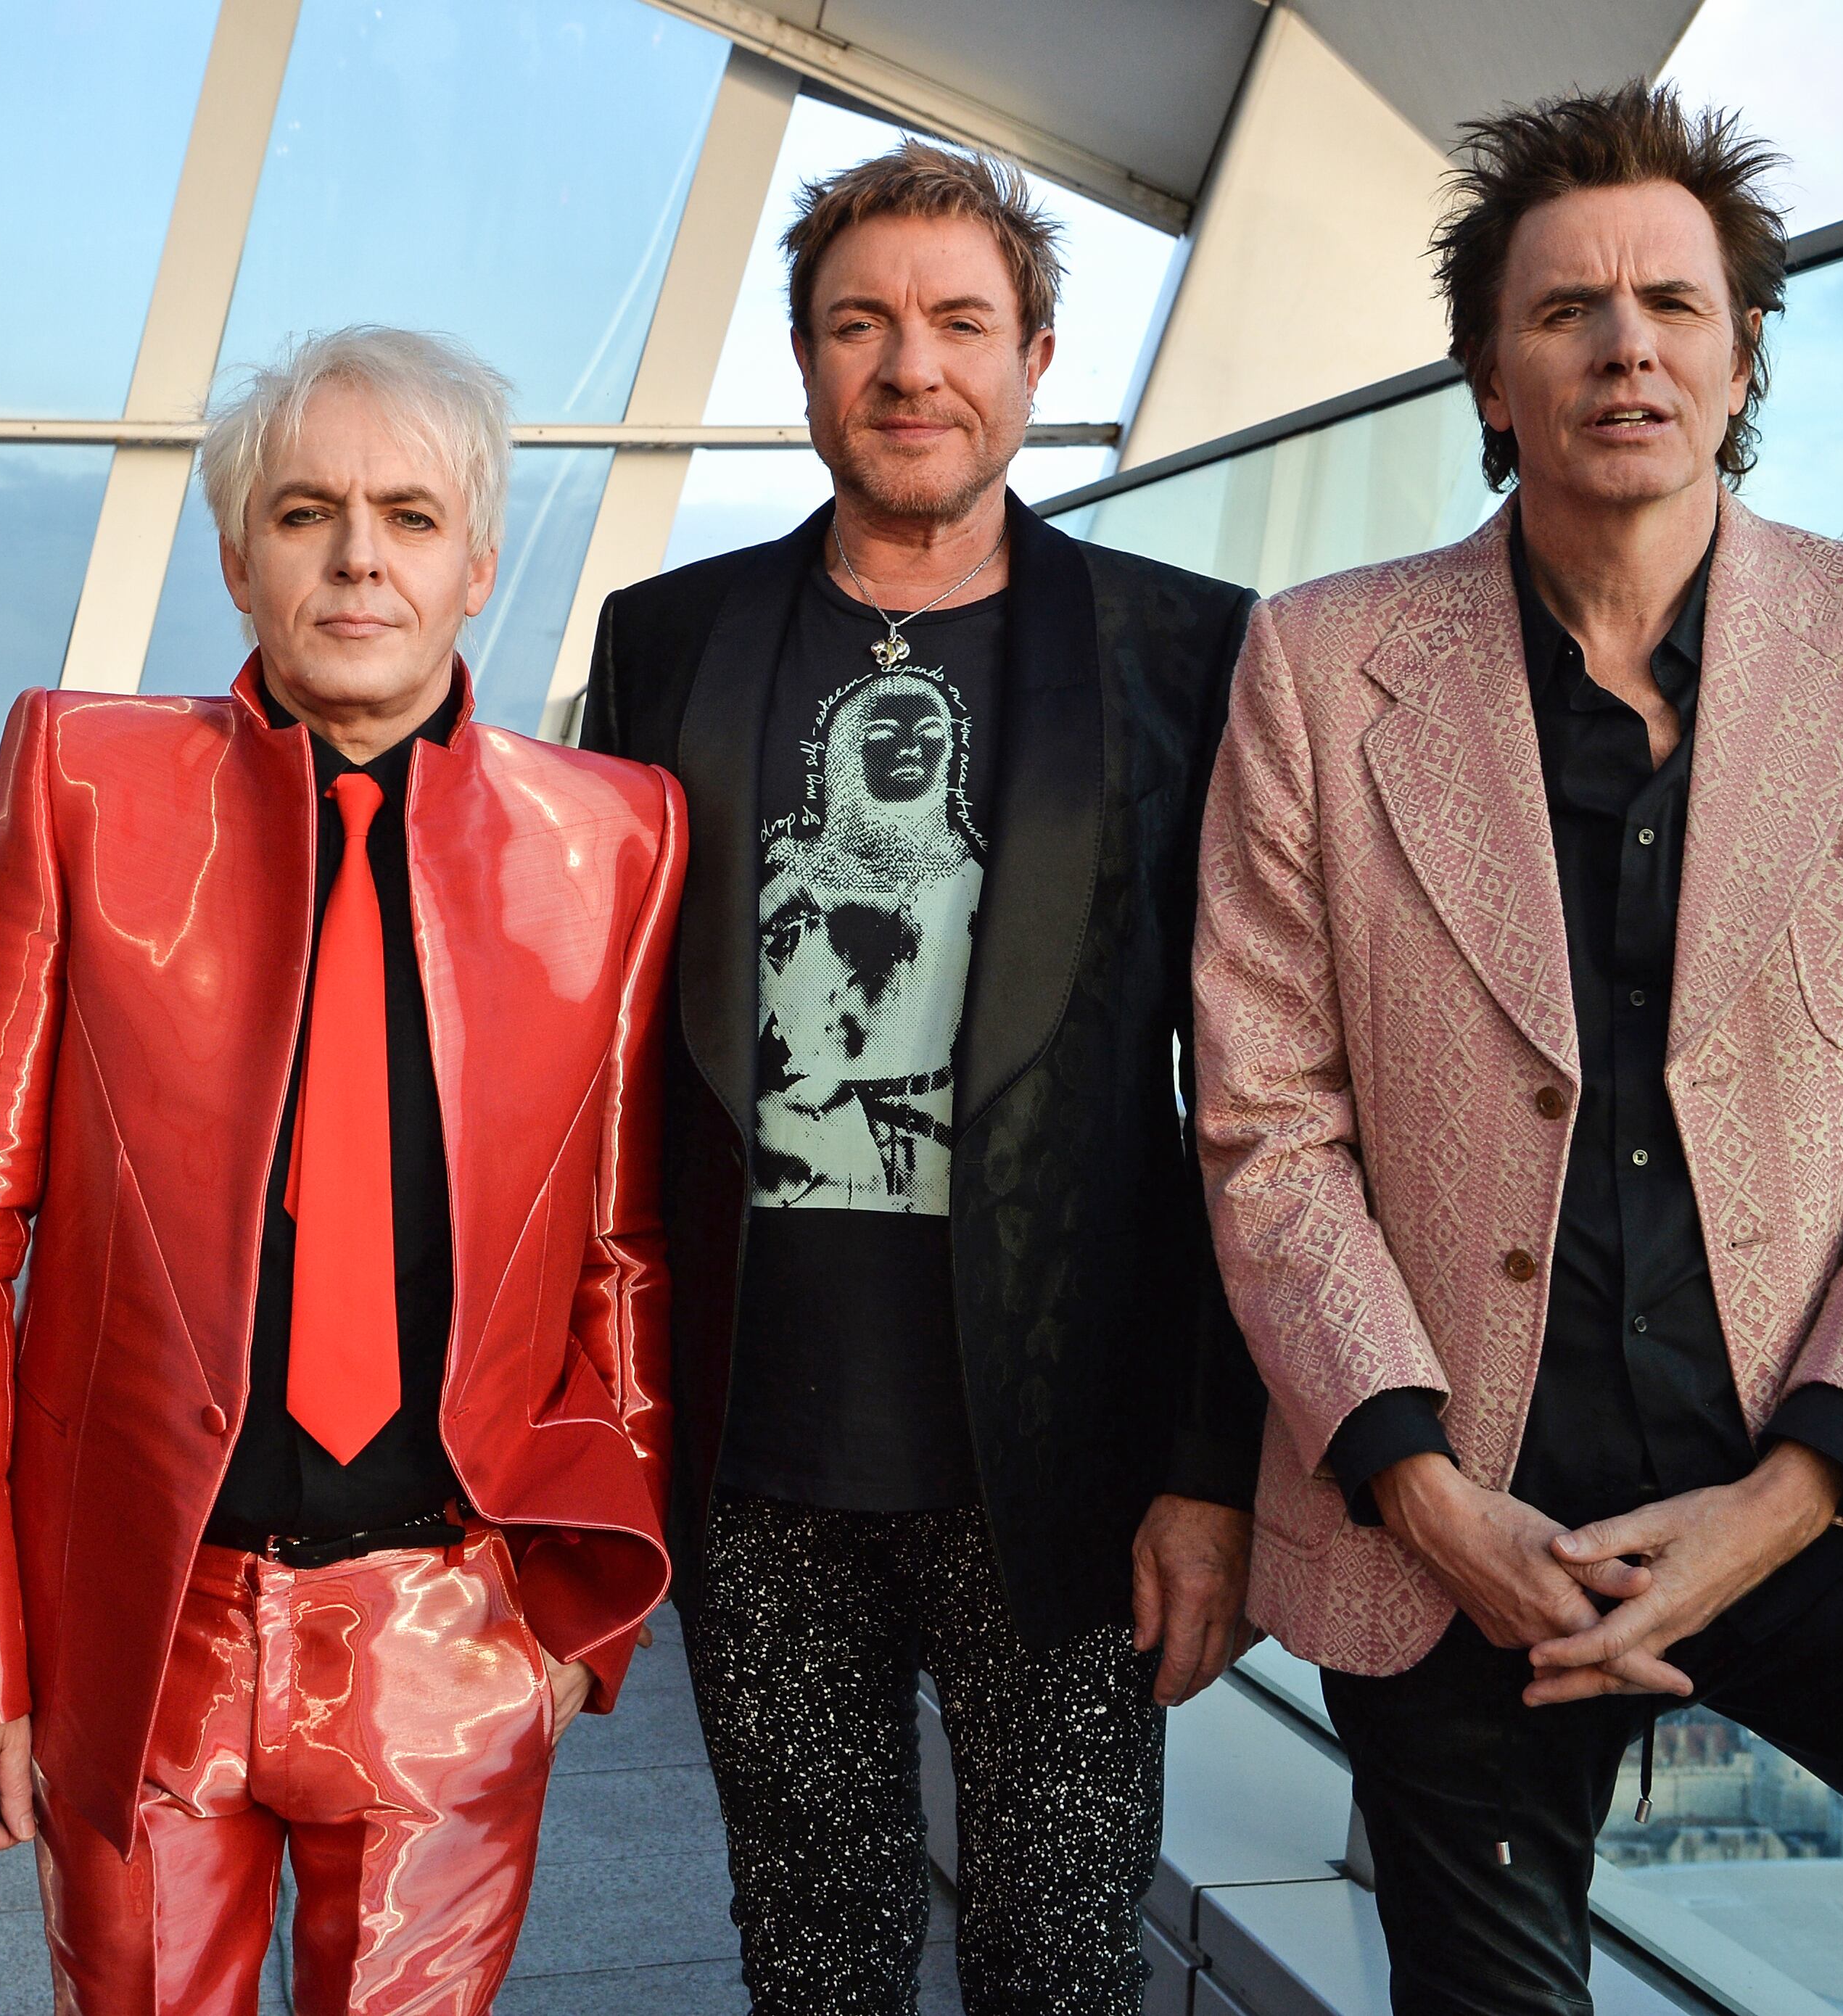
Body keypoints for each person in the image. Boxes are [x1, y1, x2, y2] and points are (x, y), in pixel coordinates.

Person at [1193, 82, 1843, 2009]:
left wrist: (1791, 1491)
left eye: (1675, 306)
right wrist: (1427, 1493)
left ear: (1743, 352)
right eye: (1569, 309)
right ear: (1490, 375)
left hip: (1829, 1482)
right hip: (1456, 1518)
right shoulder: (1320, 660)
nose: (1628, 345)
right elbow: (1269, 1129)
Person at [0, 326, 684, 2016]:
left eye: (407, 512)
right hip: (146, 1624)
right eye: (309, 510)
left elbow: (624, 1249)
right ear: (239, 553)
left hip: (452, 1628)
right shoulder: (83, 779)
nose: (359, 556)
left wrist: (568, 1628)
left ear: (478, 557)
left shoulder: (615, 838)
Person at [579, 141, 1265, 2015]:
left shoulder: (1181, 651)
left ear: (1036, 354)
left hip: (1067, 1457)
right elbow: (599, 1063)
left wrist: (1215, 1475)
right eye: (860, 324)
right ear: (802, 364)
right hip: (751, 1454)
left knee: (1060, 1957)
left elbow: (1254, 1094)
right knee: (815, 1948)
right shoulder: (671, 643)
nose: (911, 367)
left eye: (960, 321)